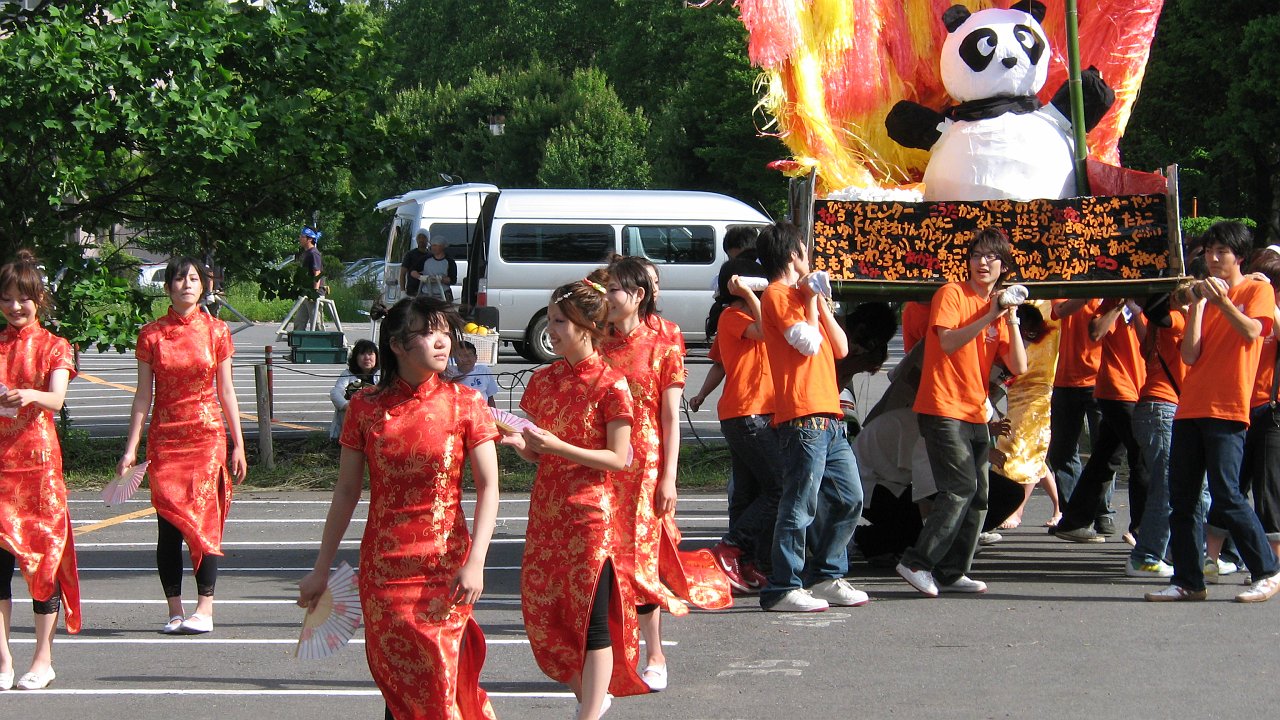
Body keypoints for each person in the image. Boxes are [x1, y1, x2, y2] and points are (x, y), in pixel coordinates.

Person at [299, 295, 500, 719]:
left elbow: (489, 486)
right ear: (396, 344)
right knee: (399, 682)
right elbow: (345, 492)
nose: (442, 342)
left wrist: (476, 560)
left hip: (447, 566)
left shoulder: (466, 403)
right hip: (384, 569)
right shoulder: (365, 408)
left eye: (446, 332)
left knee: (440, 679)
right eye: (429, 332)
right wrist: (321, 567)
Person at [502, 279, 648, 720]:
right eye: (550, 318)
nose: (552, 327)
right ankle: (589, 696)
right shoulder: (545, 380)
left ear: (588, 326)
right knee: (550, 614)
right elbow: (537, 452)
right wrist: (518, 442)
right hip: (548, 512)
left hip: (590, 516)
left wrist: (557, 447)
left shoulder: (612, 383)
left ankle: (588, 712)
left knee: (591, 622)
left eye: (560, 320)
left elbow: (618, 459)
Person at [598, 256, 731, 692]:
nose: (606, 296)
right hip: (600, 461)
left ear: (638, 295)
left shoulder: (664, 339)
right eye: (604, 288)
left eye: (614, 289)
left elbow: (669, 418)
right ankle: (611, 652)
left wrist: (668, 478)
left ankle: (654, 652)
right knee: (602, 560)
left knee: (640, 560)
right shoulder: (596, 338)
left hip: (644, 466)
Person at [1146, 221, 1280, 603]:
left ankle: (1267, 570)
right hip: (1191, 406)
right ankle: (1188, 580)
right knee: (1183, 498)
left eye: (1221, 251)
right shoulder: (1202, 297)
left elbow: (1253, 332)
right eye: (1209, 251)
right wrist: (1201, 305)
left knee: (1228, 495)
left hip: (1229, 407)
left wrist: (1222, 302)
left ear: (1239, 257)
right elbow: (1189, 354)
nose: (1214, 258)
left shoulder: (1257, 289)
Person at [117, 258, 248, 635]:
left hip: (207, 436)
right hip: (166, 437)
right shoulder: (151, 335)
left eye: (193, 279)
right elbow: (143, 396)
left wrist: (238, 444)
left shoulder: (217, 331)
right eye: (179, 278)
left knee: (204, 521)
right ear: (167, 287)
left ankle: (204, 608)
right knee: (168, 526)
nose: (187, 285)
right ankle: (175, 610)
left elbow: (226, 391)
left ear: (203, 286)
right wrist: (131, 448)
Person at [896, 227, 1027, 597]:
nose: (983, 263)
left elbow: (1018, 364)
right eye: (976, 255)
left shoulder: (1000, 311)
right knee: (959, 487)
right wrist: (989, 315)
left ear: (1004, 267)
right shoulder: (952, 294)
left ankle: (954, 571)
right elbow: (949, 341)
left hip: (975, 411)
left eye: (991, 257)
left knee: (979, 493)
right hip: (942, 405)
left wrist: (1011, 318)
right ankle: (916, 561)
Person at [754, 221, 868, 613]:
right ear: (792, 255)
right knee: (800, 504)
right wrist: (811, 301)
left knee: (851, 497)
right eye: (805, 252)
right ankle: (783, 586)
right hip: (802, 416)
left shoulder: (801, 296)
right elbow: (808, 343)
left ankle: (827, 575)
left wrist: (818, 300)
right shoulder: (776, 294)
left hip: (829, 416)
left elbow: (840, 347)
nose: (810, 260)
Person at [0, 250, 80, 691]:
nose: (15, 307)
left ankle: (43, 658)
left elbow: (56, 400)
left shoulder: (55, 345)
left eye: (23, 299)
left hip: (39, 470)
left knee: (43, 563)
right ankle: (3, 660)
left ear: (38, 299)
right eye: (7, 299)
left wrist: (28, 394)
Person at [689, 267, 781, 593]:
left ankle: (743, 563)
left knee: (748, 492)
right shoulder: (732, 316)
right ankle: (731, 547)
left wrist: (701, 394)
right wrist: (750, 296)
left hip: (748, 414)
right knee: (779, 486)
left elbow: (720, 363)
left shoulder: (740, 316)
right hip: (747, 414)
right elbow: (766, 331)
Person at [1052, 297, 1149, 543]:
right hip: (1116, 388)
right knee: (1141, 456)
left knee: (1105, 458)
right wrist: (1119, 303)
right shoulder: (1111, 298)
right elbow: (1095, 331)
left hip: (1140, 386)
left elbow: (1150, 343)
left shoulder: (1156, 300)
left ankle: (1075, 520)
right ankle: (1142, 529)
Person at [1126, 289, 1191, 577]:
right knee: (1166, 485)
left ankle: (1177, 552)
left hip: (1156, 408)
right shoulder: (1177, 318)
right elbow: (1160, 315)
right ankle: (1146, 555)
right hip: (1162, 408)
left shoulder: (1161, 326)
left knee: (1176, 485)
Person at [1045, 297, 1119, 534]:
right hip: (1065, 378)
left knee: (1103, 452)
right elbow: (1061, 310)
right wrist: (1087, 292)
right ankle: (1074, 513)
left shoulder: (1113, 295)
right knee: (1060, 451)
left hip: (1102, 379)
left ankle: (1102, 511)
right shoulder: (1070, 285)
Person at [329, 339, 380, 440]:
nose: (367, 358)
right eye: (362, 354)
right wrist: (347, 406)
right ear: (355, 357)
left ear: (376, 357)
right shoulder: (348, 374)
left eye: (370, 354)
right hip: (352, 424)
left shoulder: (383, 374)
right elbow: (335, 392)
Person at [447, 341, 498, 408]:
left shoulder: (484, 370)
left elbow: (490, 397)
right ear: (455, 359)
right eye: (460, 356)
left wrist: (493, 416)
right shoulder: (449, 373)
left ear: (475, 358)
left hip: (482, 413)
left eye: (468, 355)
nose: (465, 359)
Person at [420, 238, 457, 303]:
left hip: (443, 295)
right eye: (432, 245)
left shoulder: (450, 262)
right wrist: (420, 277)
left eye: (435, 245)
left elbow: (453, 280)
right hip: (426, 294)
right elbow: (413, 271)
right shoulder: (425, 259)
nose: (433, 247)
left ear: (442, 247)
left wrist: (440, 279)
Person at [400, 230, 432, 297]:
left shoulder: (431, 255)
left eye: (423, 237)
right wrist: (402, 291)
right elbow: (402, 273)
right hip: (412, 291)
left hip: (428, 291)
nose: (421, 240)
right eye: (419, 237)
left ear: (428, 240)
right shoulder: (410, 254)